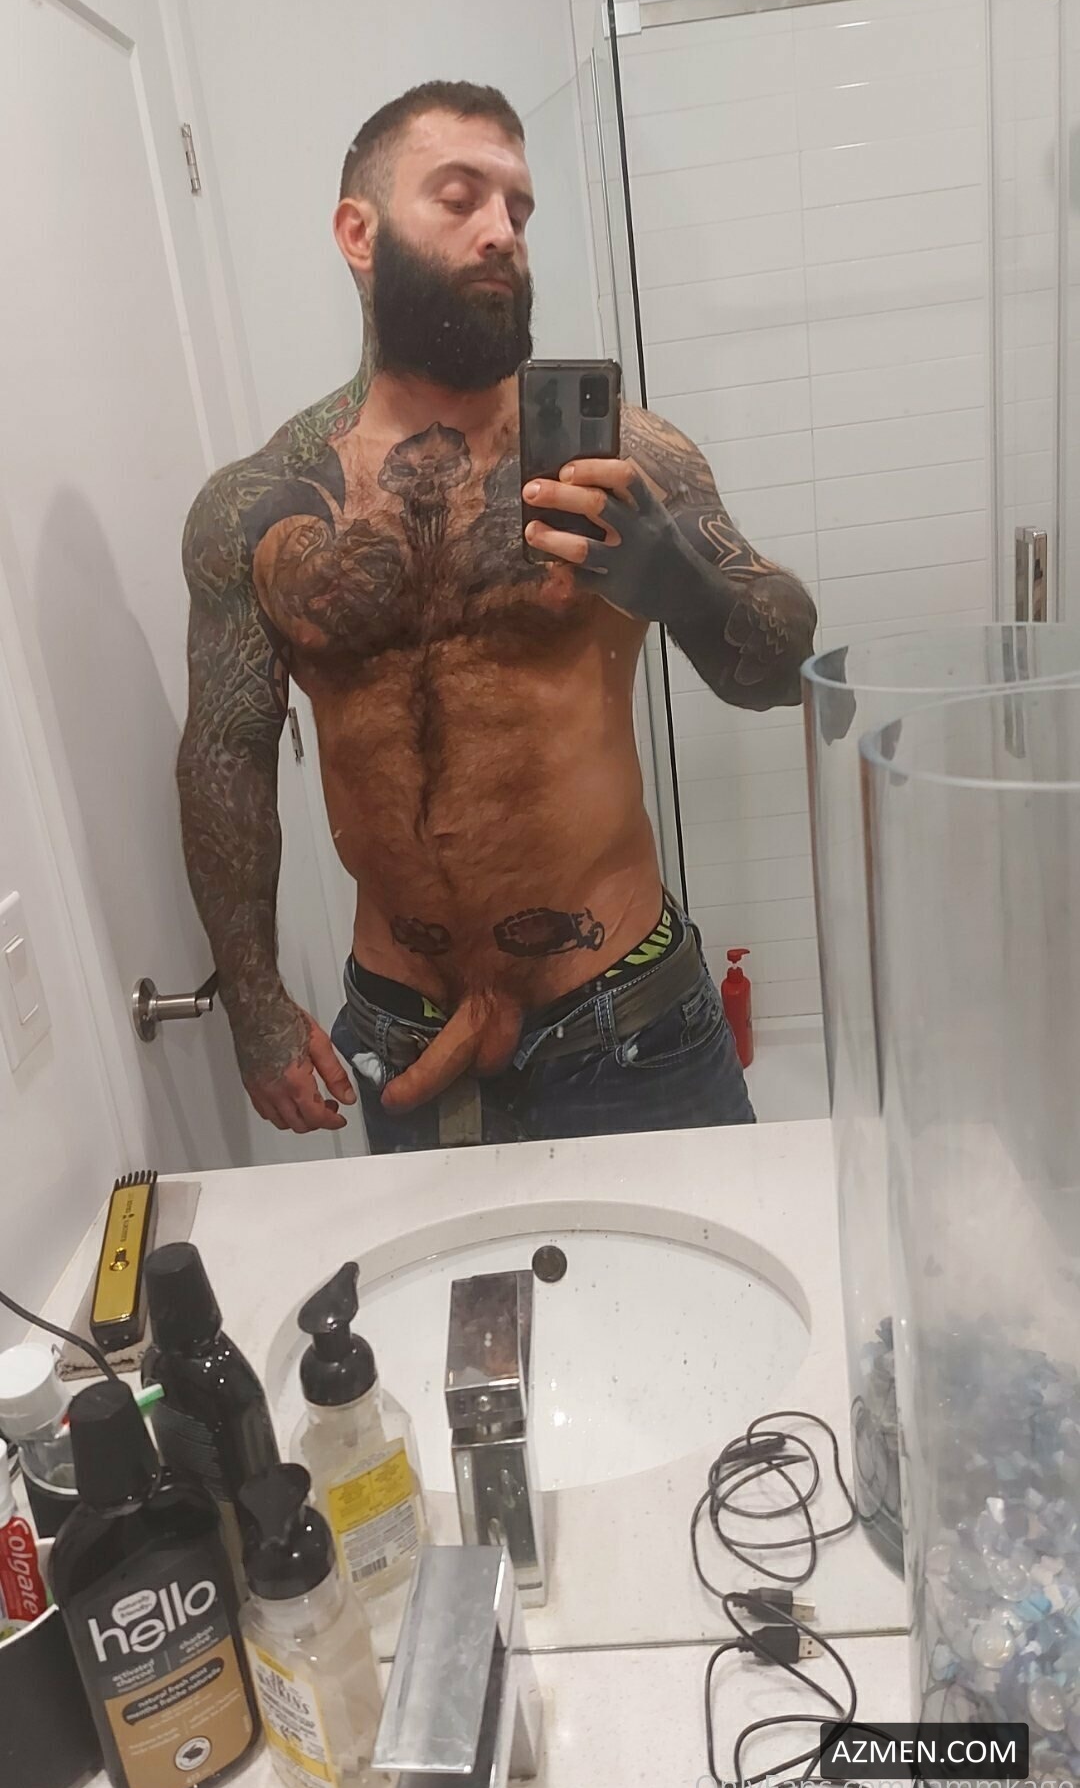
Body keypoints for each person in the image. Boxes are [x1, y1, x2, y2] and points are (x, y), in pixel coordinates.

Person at [177, 80, 817, 1153]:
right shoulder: (258, 507)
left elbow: (785, 664)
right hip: (403, 1032)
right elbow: (224, 756)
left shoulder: (630, 461)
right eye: (460, 197)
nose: (501, 233)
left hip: (629, 1025)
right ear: (359, 232)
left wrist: (676, 580)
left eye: (518, 209)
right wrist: (251, 1003)